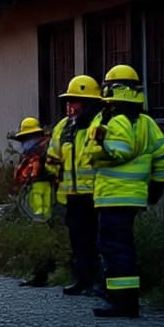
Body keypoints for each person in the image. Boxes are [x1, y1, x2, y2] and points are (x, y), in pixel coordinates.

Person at [81, 64, 164, 319]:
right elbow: (163, 160)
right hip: (131, 198)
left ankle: (123, 303)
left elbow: (118, 152)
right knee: (120, 246)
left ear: (112, 89)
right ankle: (122, 299)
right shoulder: (147, 123)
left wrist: (97, 150)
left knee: (114, 248)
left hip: (113, 197)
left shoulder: (114, 120)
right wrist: (156, 189)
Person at [45, 75, 103, 296]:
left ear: (88, 102)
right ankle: (82, 280)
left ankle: (99, 282)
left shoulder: (100, 123)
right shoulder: (64, 127)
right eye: (68, 101)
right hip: (72, 195)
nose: (70, 105)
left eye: (75, 100)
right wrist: (50, 170)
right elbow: (53, 156)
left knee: (97, 240)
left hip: (97, 194)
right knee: (78, 240)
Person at [7, 116, 56, 286]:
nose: (24, 144)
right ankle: (39, 274)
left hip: (44, 205)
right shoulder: (33, 154)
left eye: (26, 139)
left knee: (44, 239)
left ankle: (43, 274)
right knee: (38, 239)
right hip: (35, 204)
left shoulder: (44, 152)